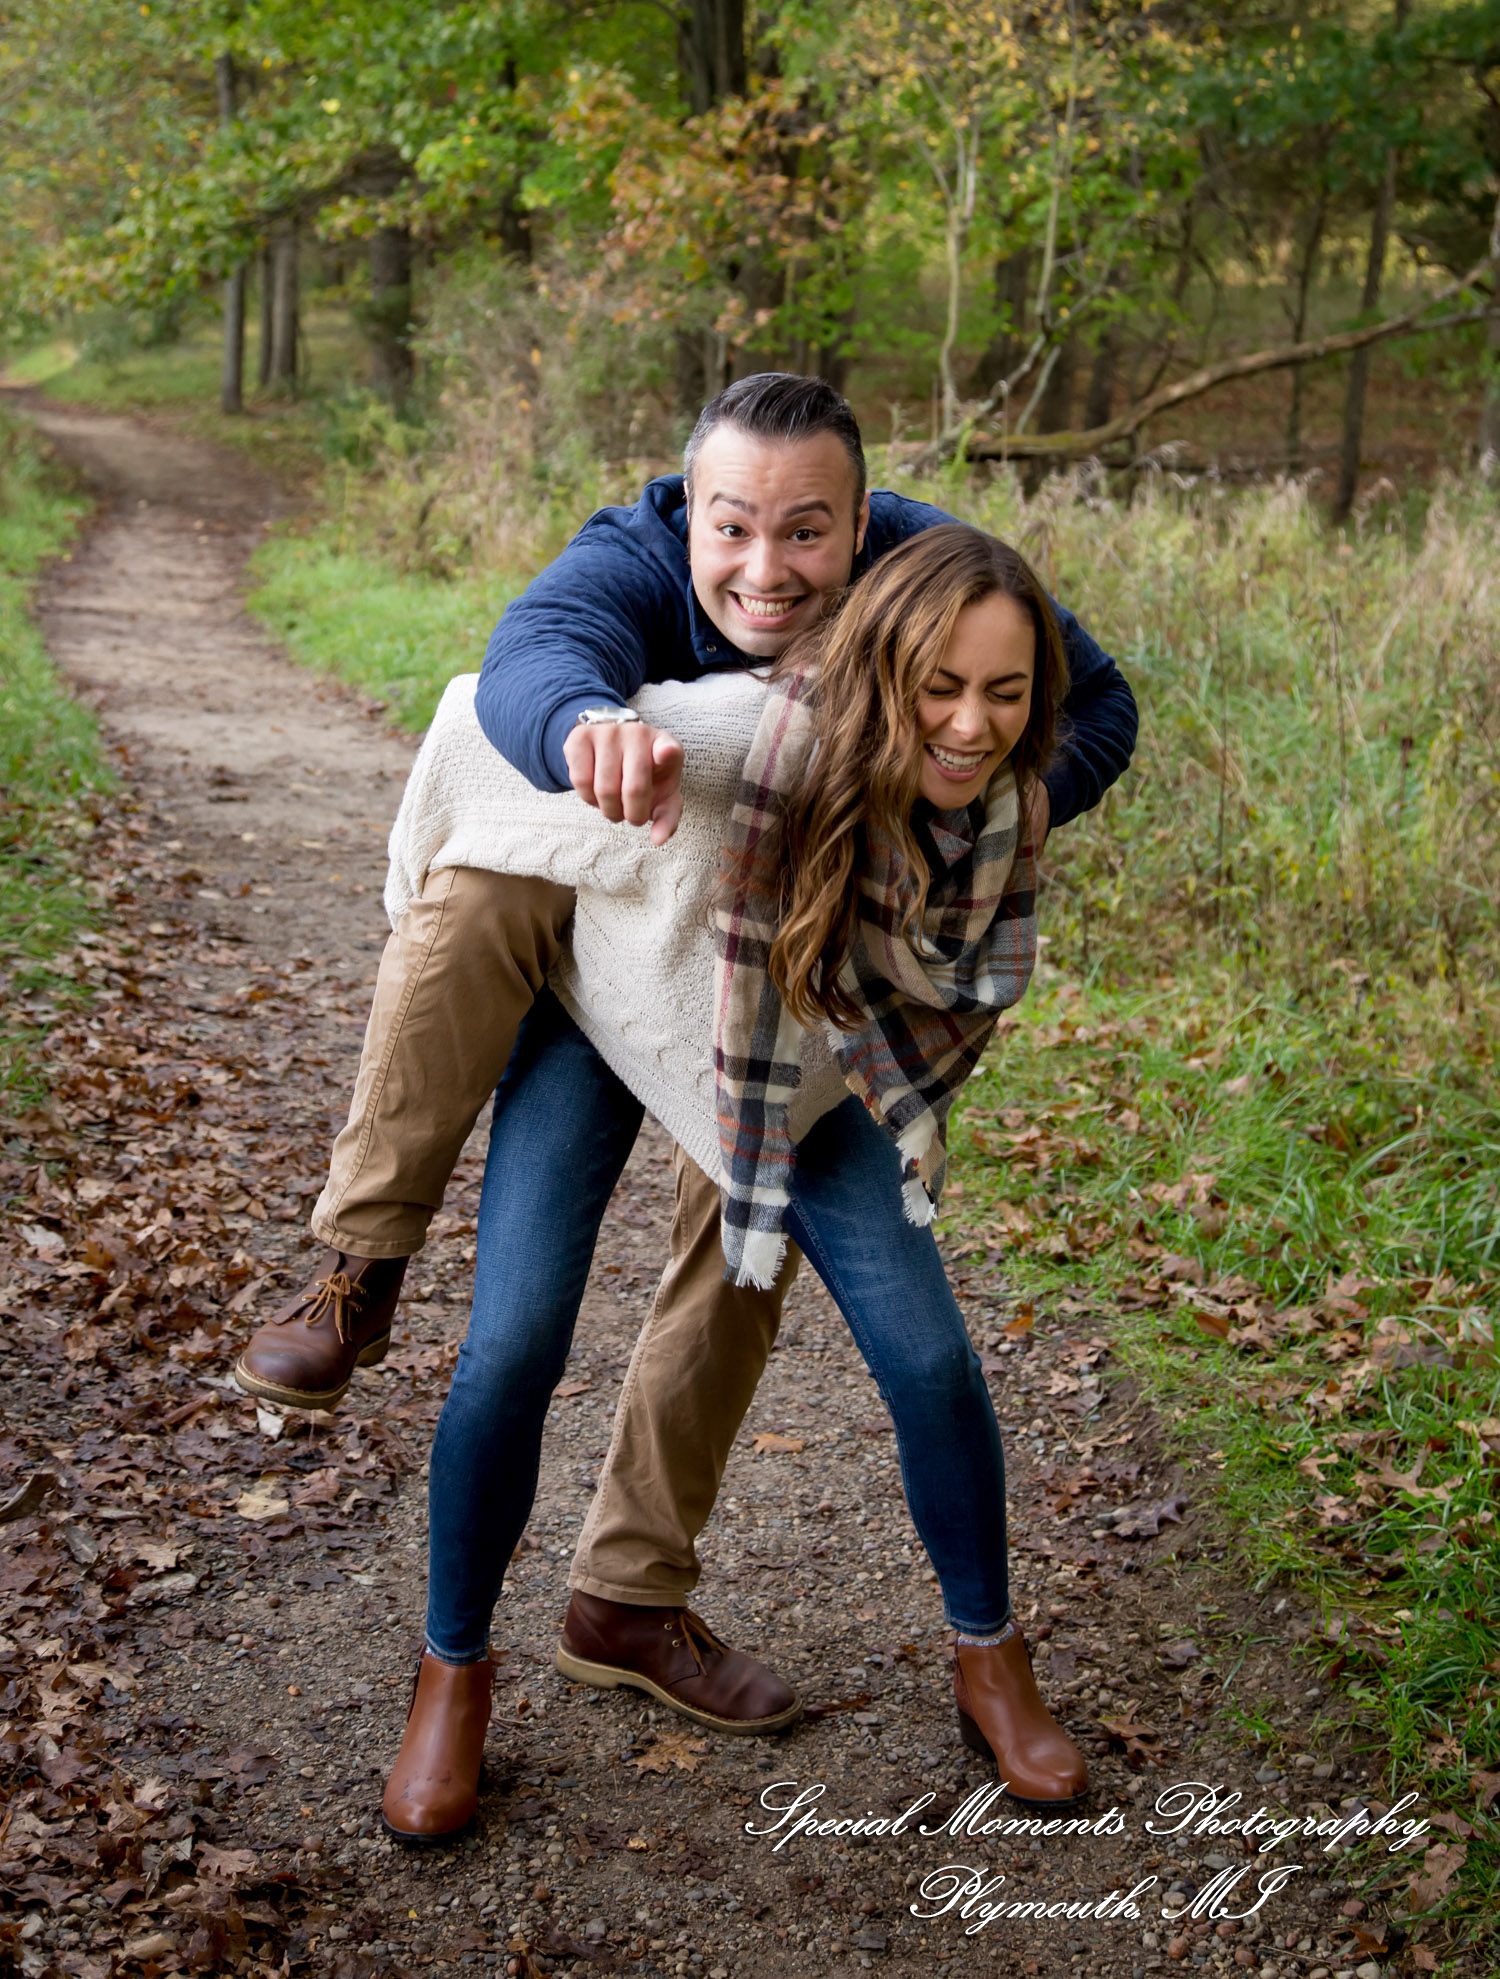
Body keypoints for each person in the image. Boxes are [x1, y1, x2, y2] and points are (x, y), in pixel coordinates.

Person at [234, 373, 1137, 1739]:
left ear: (863, 519)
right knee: (517, 1330)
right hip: (606, 985)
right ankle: (443, 1640)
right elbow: (531, 654)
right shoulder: (634, 558)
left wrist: (961, 817)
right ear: (688, 508)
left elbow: (1095, 704)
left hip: (785, 999)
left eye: (809, 533)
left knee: (795, 1293)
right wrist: (583, 730)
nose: (767, 571)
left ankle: (643, 1603)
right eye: (733, 529)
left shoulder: (927, 573)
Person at [378, 523, 1089, 1841]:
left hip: (791, 1063)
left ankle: (989, 1659)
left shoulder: (1009, 804)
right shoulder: (742, 732)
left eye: (1007, 693)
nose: (974, 724)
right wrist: (459, 843)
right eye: (942, 688)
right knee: (516, 1338)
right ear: (882, 675)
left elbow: (1074, 740)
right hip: (607, 1007)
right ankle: (452, 1672)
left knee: (929, 1358)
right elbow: (473, 723)